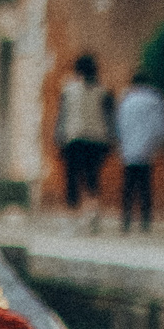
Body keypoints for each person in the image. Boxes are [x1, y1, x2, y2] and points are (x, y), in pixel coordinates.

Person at [56, 55, 114, 217]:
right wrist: (111, 140)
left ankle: (73, 213)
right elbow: (109, 118)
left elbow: (62, 116)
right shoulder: (103, 91)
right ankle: (92, 211)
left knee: (72, 177)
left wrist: (59, 138)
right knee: (92, 177)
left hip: (74, 138)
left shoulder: (68, 89)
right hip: (97, 139)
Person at [115, 74, 164, 234]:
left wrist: (120, 143)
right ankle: (145, 219)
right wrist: (157, 144)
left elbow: (119, 124)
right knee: (145, 185)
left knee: (128, 185)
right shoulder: (156, 99)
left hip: (128, 148)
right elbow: (161, 126)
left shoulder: (126, 99)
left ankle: (126, 219)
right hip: (147, 149)